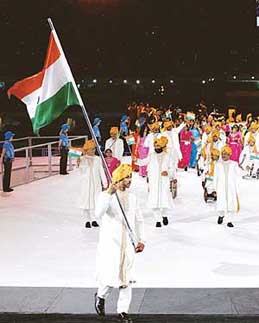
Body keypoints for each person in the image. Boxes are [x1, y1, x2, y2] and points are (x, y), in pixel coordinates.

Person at [94, 164, 145, 323]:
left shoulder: (133, 197)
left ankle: (123, 311)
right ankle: (101, 296)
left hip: (128, 244)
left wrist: (141, 239)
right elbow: (98, 214)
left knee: (126, 278)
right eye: (126, 178)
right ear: (118, 179)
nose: (129, 180)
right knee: (110, 276)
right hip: (111, 243)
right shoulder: (107, 196)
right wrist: (109, 192)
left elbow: (139, 219)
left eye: (130, 177)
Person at [141, 136, 174, 227]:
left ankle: (164, 215)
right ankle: (158, 220)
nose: (156, 148)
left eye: (158, 146)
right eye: (155, 146)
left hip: (164, 181)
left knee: (164, 200)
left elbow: (172, 168)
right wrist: (136, 161)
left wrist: (167, 172)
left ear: (162, 146)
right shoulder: (151, 155)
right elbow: (143, 162)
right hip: (154, 181)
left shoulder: (167, 156)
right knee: (154, 201)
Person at [78, 139, 107, 228]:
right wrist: (80, 163)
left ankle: (94, 219)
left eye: (94, 149)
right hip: (86, 184)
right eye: (91, 149)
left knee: (95, 201)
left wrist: (104, 183)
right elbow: (81, 170)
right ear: (87, 150)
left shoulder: (98, 159)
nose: (93, 151)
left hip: (96, 183)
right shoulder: (82, 159)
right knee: (86, 201)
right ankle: (87, 220)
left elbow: (101, 170)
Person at [214, 145, 240, 228]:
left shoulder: (234, 164)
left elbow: (238, 175)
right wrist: (215, 188)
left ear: (229, 154)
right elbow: (215, 177)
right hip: (221, 186)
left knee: (230, 203)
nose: (224, 155)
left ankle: (229, 220)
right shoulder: (218, 164)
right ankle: (221, 215)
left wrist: (237, 186)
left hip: (230, 186)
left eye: (225, 154)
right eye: (222, 154)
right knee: (221, 202)